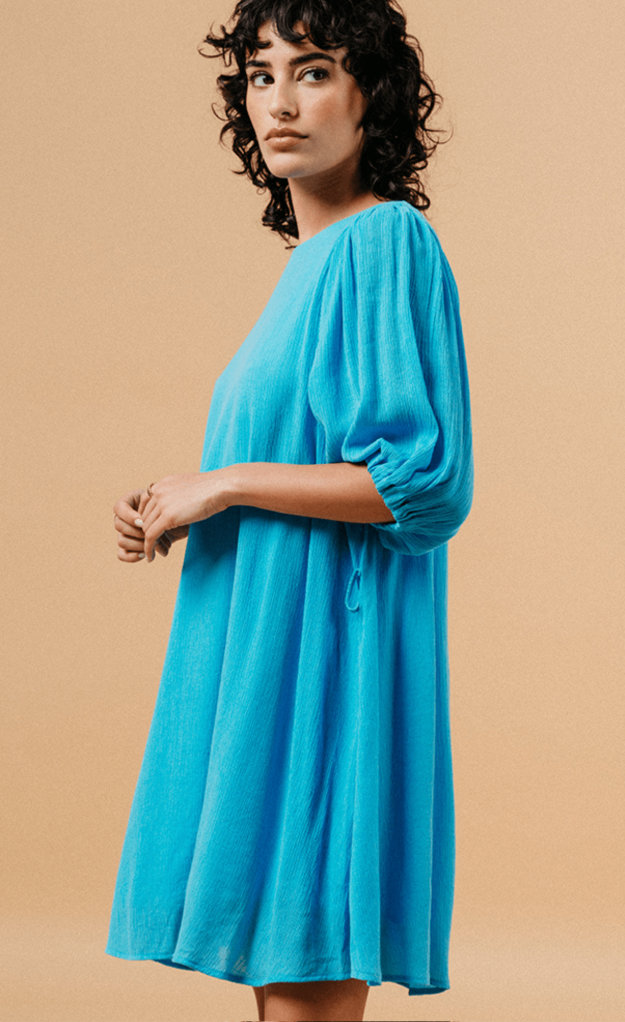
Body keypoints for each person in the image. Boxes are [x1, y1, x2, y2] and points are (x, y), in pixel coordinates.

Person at [105, 1, 474, 1020]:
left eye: (311, 71)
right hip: (263, 648)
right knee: (284, 968)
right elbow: (303, 459)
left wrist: (224, 482)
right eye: (260, 76)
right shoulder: (307, 270)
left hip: (323, 656)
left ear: (371, 97)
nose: (279, 100)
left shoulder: (382, 241)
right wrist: (181, 500)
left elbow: (421, 484)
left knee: (304, 953)